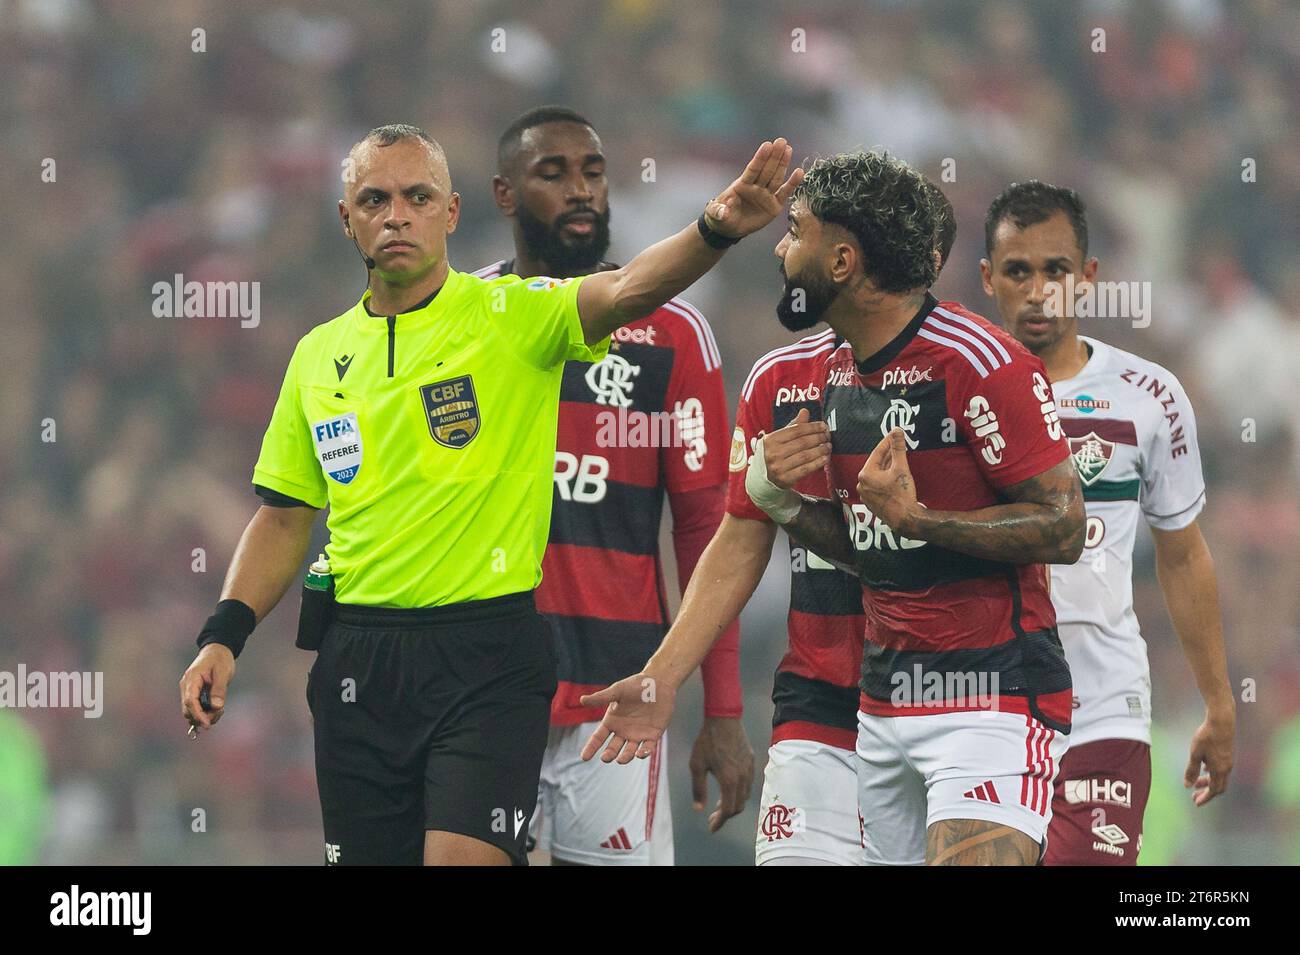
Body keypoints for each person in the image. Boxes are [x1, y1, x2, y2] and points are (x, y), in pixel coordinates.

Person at [178, 122, 802, 866]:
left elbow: (631, 288)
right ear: (347, 219)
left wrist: (715, 228)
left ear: (451, 212)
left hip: (488, 657)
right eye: (375, 199)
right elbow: (283, 519)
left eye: (418, 196)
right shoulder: (317, 356)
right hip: (358, 665)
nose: (396, 215)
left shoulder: (513, 315)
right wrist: (224, 633)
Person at [582, 151, 1085, 866]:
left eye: (795, 231)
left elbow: (1065, 524)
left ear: (844, 260)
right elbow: (742, 538)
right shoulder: (780, 381)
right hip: (842, 702)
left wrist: (916, 519)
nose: (781, 250)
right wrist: (663, 675)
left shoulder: (981, 362)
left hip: (991, 691)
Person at [472, 106, 750, 865]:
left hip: (620, 693)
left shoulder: (672, 334)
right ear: (504, 193)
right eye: (553, 174)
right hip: (485, 691)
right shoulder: (462, 321)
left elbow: (708, 529)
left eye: (593, 172)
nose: (581, 191)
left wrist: (721, 710)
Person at [980, 180, 1234, 865]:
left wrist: (1219, 702)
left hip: (1104, 709)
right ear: (988, 279)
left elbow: (1182, 556)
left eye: (1056, 270)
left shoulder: (1149, 396)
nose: (1039, 291)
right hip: (979, 711)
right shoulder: (953, 395)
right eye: (1018, 271)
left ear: (1087, 277)